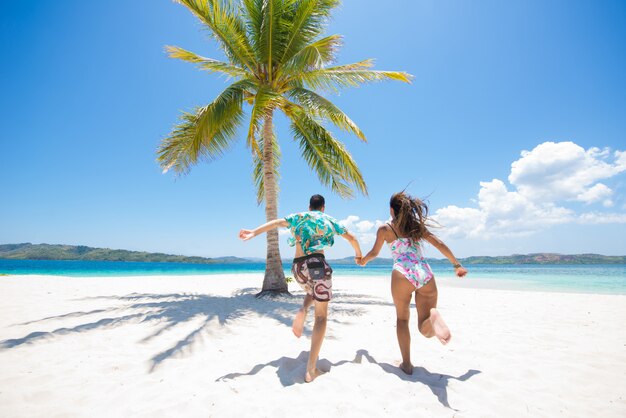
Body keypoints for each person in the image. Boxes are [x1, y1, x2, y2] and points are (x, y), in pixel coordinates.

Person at [239, 194, 362, 382]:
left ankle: (304, 309)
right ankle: (310, 369)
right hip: (317, 265)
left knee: (313, 291)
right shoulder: (328, 219)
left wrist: (253, 232)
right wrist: (358, 255)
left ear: (309, 207)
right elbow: (352, 237)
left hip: (297, 268)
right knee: (321, 317)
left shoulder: (299, 216)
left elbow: (276, 223)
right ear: (323, 208)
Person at [357, 191, 467, 375]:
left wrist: (363, 261)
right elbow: (439, 244)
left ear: (392, 210)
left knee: (402, 319)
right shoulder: (416, 227)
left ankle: (407, 364)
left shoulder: (385, 229)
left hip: (402, 272)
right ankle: (432, 319)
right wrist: (456, 265)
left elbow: (374, 253)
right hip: (425, 273)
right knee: (425, 328)